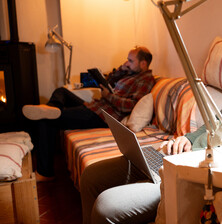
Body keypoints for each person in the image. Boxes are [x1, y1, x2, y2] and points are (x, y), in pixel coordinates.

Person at [79, 13, 222, 224]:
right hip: (182, 155)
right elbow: (213, 127)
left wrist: (196, 152)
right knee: (92, 175)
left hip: (205, 170)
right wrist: (187, 139)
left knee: (107, 205)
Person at [23, 46, 155, 181]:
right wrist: (122, 68)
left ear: (143, 63)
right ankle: (53, 109)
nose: (127, 63)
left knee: (46, 120)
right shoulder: (130, 74)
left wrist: (108, 96)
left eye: (130, 61)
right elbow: (110, 81)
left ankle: (45, 173)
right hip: (96, 106)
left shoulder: (145, 80)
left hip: (103, 116)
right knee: (61, 92)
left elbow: (130, 106)